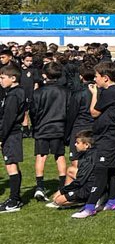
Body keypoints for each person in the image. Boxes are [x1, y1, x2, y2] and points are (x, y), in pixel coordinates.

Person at [72, 61, 115, 217]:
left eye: (96, 76)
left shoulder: (111, 92)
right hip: (104, 136)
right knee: (109, 169)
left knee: (100, 170)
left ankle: (90, 206)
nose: (95, 80)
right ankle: (113, 201)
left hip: (109, 137)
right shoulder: (110, 91)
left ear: (105, 78)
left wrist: (94, 94)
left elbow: (94, 112)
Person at [30, 61, 69, 200]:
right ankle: (62, 185)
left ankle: (40, 186)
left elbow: (33, 112)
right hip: (59, 127)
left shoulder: (38, 92)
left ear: (44, 75)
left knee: (41, 156)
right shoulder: (65, 91)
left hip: (42, 127)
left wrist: (35, 126)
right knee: (59, 156)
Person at [46, 130, 96, 211]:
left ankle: (88, 201)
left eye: (77, 142)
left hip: (90, 188)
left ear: (86, 145)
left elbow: (80, 181)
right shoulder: (89, 153)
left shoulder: (89, 159)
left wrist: (62, 191)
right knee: (70, 170)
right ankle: (74, 197)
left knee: (58, 200)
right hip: (90, 182)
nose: (75, 144)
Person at [0, 66, 27, 212]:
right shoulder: (13, 93)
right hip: (12, 133)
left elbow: (8, 119)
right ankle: (15, 198)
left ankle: (14, 200)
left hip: (11, 134)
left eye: (3, 78)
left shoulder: (13, 95)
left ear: (13, 78)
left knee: (11, 165)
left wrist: (1, 137)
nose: (0, 81)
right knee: (12, 164)